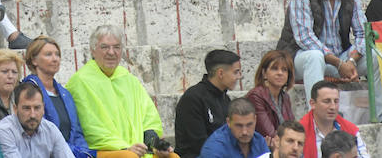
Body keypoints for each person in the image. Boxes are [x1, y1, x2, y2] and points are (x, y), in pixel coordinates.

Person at [65, 27, 176, 158]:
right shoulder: (80, 81)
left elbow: (148, 117)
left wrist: (154, 144)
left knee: (172, 156)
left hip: (138, 150)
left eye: (117, 47)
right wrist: (124, 148)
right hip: (106, 152)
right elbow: (91, 129)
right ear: (92, 50)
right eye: (105, 47)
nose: (111, 52)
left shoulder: (128, 78)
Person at [276, 0, 367, 104]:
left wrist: (351, 61)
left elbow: (363, 33)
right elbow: (304, 38)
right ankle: (317, 116)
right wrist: (339, 63)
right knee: (314, 56)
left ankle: (381, 114)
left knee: (376, 57)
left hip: (341, 60)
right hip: (299, 59)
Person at [21, 38, 89, 158]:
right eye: (48, 54)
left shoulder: (65, 94)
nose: (55, 59)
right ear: (34, 60)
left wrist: (83, 152)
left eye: (57, 54)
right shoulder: (27, 91)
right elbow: (41, 135)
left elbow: (77, 133)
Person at [174, 50, 241, 158]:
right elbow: (199, 145)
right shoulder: (193, 99)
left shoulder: (226, 99)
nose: (239, 77)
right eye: (236, 72)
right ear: (220, 73)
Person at [0, 82, 73, 158]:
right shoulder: (5, 131)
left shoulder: (50, 129)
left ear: (43, 108)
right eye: (26, 108)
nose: (32, 115)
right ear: (15, 109)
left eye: (37, 108)